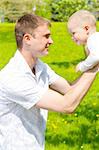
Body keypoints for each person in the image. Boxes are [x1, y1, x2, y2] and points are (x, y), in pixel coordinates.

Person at [0, 13, 98, 150]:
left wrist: (92, 58)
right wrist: (94, 65)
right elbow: (67, 105)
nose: (51, 41)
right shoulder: (13, 77)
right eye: (46, 36)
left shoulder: (40, 67)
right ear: (27, 39)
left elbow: (70, 90)